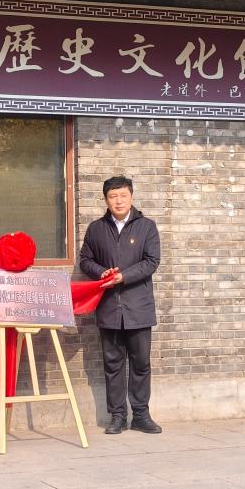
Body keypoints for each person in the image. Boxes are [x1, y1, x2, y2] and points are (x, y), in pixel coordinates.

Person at [79, 176, 162, 434]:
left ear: (131, 197)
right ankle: (117, 416)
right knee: (113, 364)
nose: (118, 201)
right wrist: (101, 272)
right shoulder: (96, 229)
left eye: (123, 195)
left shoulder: (147, 226)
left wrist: (124, 276)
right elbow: (85, 260)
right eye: (113, 196)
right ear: (106, 200)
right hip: (109, 307)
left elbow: (151, 261)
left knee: (141, 363)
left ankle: (141, 415)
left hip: (139, 306)